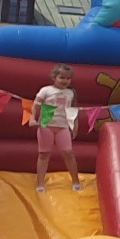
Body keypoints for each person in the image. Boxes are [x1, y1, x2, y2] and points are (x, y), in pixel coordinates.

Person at [26, 64, 83, 193]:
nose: (65, 81)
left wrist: (75, 126)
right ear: (54, 77)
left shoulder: (70, 93)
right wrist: (33, 118)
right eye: (61, 77)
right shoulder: (46, 90)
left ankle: (76, 181)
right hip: (46, 124)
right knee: (44, 154)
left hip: (62, 126)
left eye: (68, 78)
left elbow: (73, 110)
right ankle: (40, 183)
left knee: (68, 152)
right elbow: (36, 105)